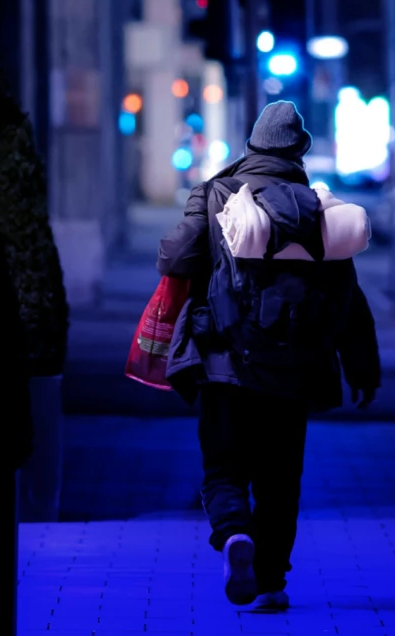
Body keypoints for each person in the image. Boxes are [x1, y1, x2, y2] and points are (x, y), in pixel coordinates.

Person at [158, 101, 381, 612]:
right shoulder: (319, 211)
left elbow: (173, 257)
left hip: (225, 363)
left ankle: (235, 533)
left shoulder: (217, 194)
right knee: (281, 479)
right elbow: (349, 299)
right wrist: (363, 369)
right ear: (300, 152)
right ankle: (271, 582)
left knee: (224, 465)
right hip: (295, 369)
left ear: (251, 147)